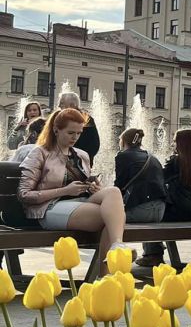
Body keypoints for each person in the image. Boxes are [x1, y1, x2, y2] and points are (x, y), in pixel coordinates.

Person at [18, 108, 128, 262]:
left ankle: (117, 245)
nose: (75, 137)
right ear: (56, 130)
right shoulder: (40, 153)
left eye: (79, 133)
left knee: (113, 192)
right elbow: (24, 194)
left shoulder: (81, 155)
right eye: (71, 133)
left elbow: (86, 186)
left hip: (79, 204)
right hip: (48, 208)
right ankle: (106, 274)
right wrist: (64, 190)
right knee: (114, 218)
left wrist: (94, 189)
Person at [136, 129, 191, 267]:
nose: (172, 144)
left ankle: (153, 254)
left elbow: (158, 179)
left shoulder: (176, 161)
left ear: (182, 144)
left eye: (175, 141)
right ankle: (155, 253)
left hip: (178, 210)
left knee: (151, 213)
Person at [115, 128, 166, 224]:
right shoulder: (152, 157)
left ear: (124, 141)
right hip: (160, 211)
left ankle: (114, 239)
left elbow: (118, 187)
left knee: (106, 217)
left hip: (141, 209)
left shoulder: (123, 156)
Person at [57, 91, 101, 166]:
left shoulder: (86, 119)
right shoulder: (60, 118)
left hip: (78, 164)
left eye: (62, 103)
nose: (59, 106)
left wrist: (81, 158)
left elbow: (94, 144)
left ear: (72, 105)